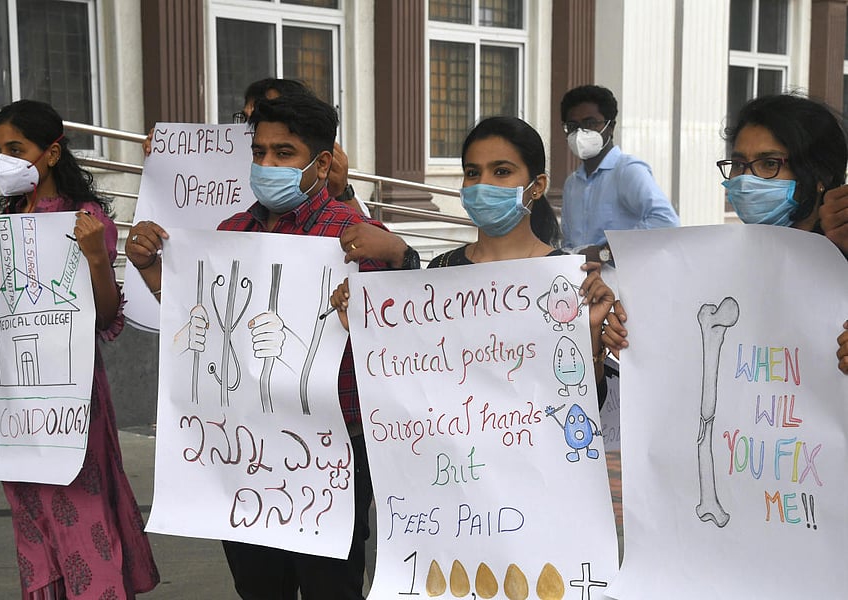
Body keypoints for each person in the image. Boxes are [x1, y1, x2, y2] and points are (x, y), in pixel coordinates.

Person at [125, 94, 418, 600]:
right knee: (258, 584)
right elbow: (195, 322)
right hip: (243, 448)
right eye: (259, 152)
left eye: (284, 153)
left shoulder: (358, 237)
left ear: (320, 164)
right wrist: (151, 268)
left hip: (332, 450)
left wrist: (401, 259)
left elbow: (407, 336)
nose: (267, 165)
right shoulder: (231, 232)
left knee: (331, 586)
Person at [0, 100, 160, 598]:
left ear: (52, 152)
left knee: (79, 503)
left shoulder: (86, 220)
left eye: (15, 149)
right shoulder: (4, 221)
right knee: (30, 510)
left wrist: (96, 257)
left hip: (69, 393)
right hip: (11, 399)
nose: (4, 161)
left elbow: (104, 317)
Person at [331, 116, 615, 394]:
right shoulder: (443, 270)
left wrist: (591, 332)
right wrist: (364, 322)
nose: (483, 185)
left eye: (501, 171)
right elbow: (415, 368)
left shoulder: (567, 280)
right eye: (472, 173)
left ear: (537, 186)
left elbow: (587, 397)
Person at [603, 93, 848, 376]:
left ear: (819, 175)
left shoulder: (838, 264)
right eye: (739, 164)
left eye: (769, 164)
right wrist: (635, 341)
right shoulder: (709, 267)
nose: (746, 179)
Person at [142, 77, 368, 216]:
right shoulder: (237, 225)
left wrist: (341, 191)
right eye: (247, 116)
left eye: (283, 153)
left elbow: (362, 239)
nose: (266, 163)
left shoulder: (322, 164)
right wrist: (164, 154)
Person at [559, 84, 679, 262]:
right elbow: (570, 242)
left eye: (590, 123)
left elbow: (666, 221)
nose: (580, 133)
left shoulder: (628, 171)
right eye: (572, 126)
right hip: (581, 277)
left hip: (623, 276)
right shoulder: (572, 183)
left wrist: (605, 252)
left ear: (610, 127)